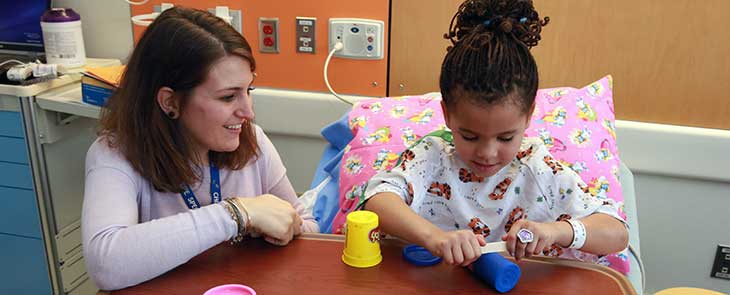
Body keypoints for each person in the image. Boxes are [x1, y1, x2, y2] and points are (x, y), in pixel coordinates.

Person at [362, 0, 628, 267]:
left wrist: (556, 231)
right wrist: (435, 238)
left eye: (505, 138)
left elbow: (617, 233)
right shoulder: (431, 158)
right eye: (469, 136)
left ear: (528, 116)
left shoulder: (538, 168)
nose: (487, 153)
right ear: (446, 115)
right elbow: (377, 201)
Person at [82, 7, 317, 290]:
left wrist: (286, 229)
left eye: (248, 91)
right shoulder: (114, 155)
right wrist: (236, 214)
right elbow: (105, 264)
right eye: (229, 97)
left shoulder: (253, 141)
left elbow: (308, 226)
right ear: (170, 102)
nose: (247, 111)